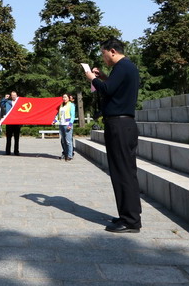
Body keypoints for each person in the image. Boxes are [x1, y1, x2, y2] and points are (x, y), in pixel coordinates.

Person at [85, 37, 142, 234]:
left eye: (103, 54)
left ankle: (131, 220)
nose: (103, 58)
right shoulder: (126, 67)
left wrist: (92, 78)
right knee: (124, 171)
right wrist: (103, 77)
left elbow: (107, 90)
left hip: (120, 125)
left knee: (122, 172)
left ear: (112, 51)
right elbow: (114, 89)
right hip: (122, 124)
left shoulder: (122, 66)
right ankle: (128, 215)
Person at [54, 94, 76, 161]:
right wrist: (55, 120)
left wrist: (70, 124)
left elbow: (73, 116)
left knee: (68, 141)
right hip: (61, 124)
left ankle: (70, 155)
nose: (64, 98)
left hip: (67, 124)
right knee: (63, 141)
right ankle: (65, 154)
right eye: (63, 97)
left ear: (69, 98)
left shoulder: (71, 105)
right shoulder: (61, 105)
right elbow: (58, 114)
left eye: (65, 97)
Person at [2, 91, 21, 155]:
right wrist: (5, 98)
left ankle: (16, 151)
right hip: (9, 122)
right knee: (8, 138)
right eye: (12, 95)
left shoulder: (19, 103)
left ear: (17, 96)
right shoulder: (8, 102)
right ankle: (8, 151)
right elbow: (1, 104)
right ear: (11, 96)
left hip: (17, 122)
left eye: (14, 95)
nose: (13, 96)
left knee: (16, 138)